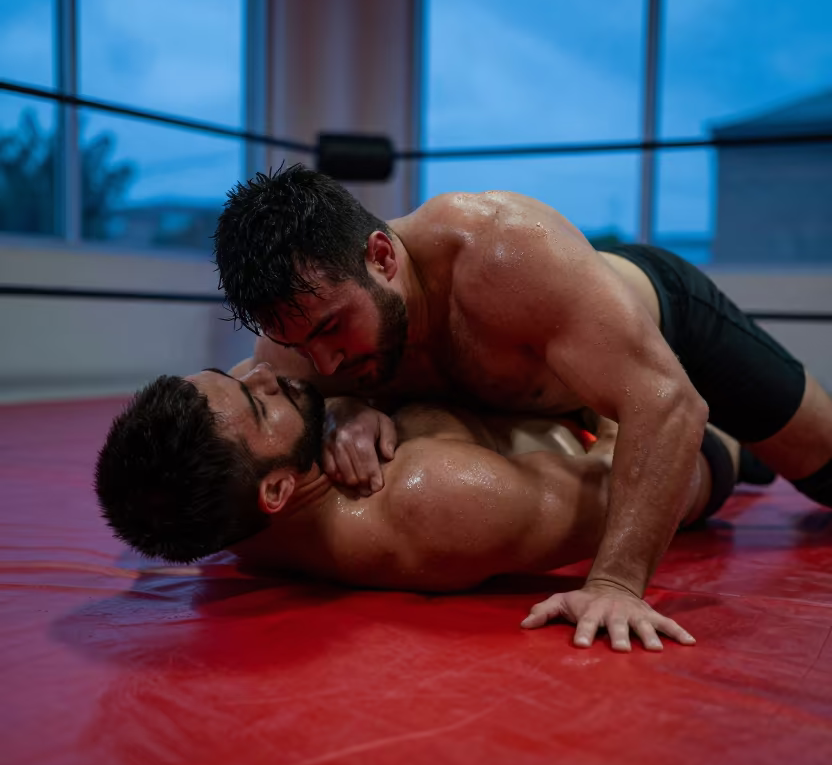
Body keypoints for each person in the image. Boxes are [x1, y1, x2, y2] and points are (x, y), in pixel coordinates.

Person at [212, 166, 832, 649]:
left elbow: (666, 401)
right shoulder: (301, 335)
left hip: (668, 329)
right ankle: (738, 454)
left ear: (382, 257)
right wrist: (340, 413)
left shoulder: (501, 254)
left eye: (332, 330)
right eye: (300, 345)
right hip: (543, 402)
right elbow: (240, 421)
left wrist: (615, 584)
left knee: (824, 466)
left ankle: (746, 446)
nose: (323, 364)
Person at [95, 361, 743, 651]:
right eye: (261, 401)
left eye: (237, 377)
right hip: (676, 451)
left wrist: (350, 409)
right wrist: (607, 384)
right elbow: (645, 473)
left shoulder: (219, 505)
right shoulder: (437, 497)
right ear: (277, 490)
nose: (263, 372)